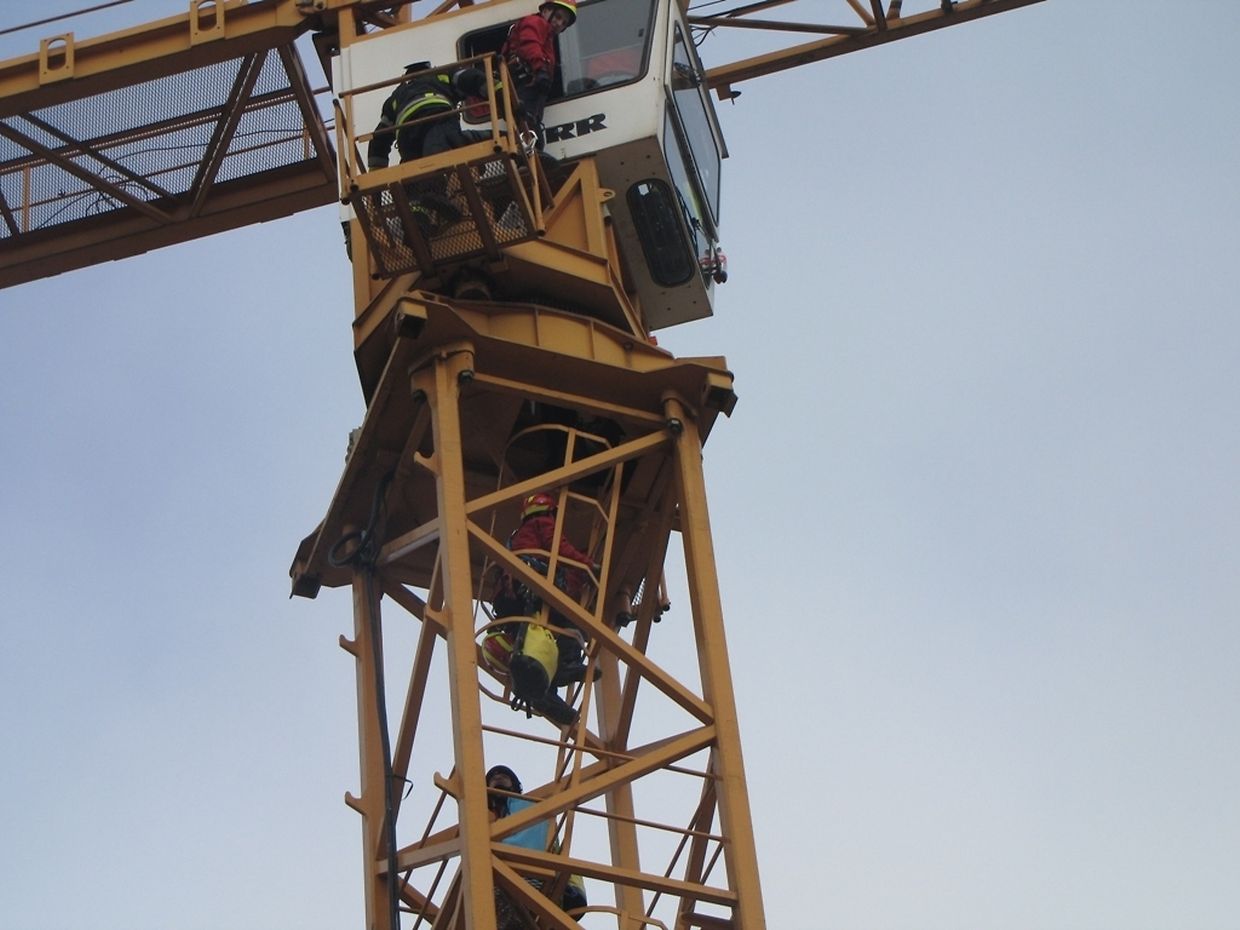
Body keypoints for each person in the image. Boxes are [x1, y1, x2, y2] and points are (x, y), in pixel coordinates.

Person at [489, 491, 601, 726]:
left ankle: (545, 694)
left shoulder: (516, 536)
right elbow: (560, 548)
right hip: (531, 584)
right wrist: (588, 566)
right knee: (571, 620)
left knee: (534, 647)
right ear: (550, 510)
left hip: (508, 596)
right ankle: (566, 665)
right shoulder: (542, 523)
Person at [366, 62, 496, 231]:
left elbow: (379, 140)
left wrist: (375, 185)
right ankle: (434, 193)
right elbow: (470, 79)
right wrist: (499, 92)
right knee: (437, 154)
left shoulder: (395, 97)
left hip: (406, 135)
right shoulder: (441, 75)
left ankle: (416, 223)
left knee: (412, 174)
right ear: (429, 69)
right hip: (437, 117)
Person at [486, 765, 588, 928]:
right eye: (493, 778)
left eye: (503, 776)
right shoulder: (501, 819)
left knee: (494, 901)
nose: (497, 777)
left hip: (540, 881)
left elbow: (528, 848)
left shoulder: (525, 806)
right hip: (547, 886)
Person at [500, 0, 577, 146]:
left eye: (564, 23)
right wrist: (540, 69)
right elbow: (530, 44)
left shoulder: (548, 37)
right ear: (546, 10)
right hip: (525, 82)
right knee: (529, 127)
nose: (559, 23)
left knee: (533, 127)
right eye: (558, 17)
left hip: (532, 88)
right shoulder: (536, 22)